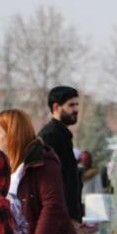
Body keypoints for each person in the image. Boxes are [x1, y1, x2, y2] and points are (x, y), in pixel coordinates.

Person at [38, 86, 82, 223]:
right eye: (71, 105)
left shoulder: (62, 135)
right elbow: (50, 181)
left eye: (77, 104)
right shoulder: (50, 136)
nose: (76, 110)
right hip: (58, 216)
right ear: (56, 107)